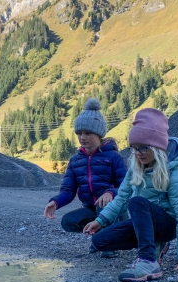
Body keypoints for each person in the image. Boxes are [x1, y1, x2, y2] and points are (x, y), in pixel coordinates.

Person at [83, 108, 178, 282]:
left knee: (137, 202)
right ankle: (153, 245)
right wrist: (100, 221)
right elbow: (121, 198)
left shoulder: (176, 174)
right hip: (144, 221)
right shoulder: (135, 169)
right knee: (100, 241)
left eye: (143, 148)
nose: (138, 153)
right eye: (134, 148)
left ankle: (148, 260)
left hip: (167, 224)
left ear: (157, 147)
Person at [44, 98, 127, 257]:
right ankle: (99, 235)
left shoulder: (114, 157)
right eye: (79, 133)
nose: (83, 137)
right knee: (68, 221)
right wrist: (55, 202)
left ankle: (111, 241)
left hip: (115, 207)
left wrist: (110, 192)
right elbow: (68, 190)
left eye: (88, 133)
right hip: (91, 207)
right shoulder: (75, 161)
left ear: (99, 133)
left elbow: (126, 185)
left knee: (104, 204)